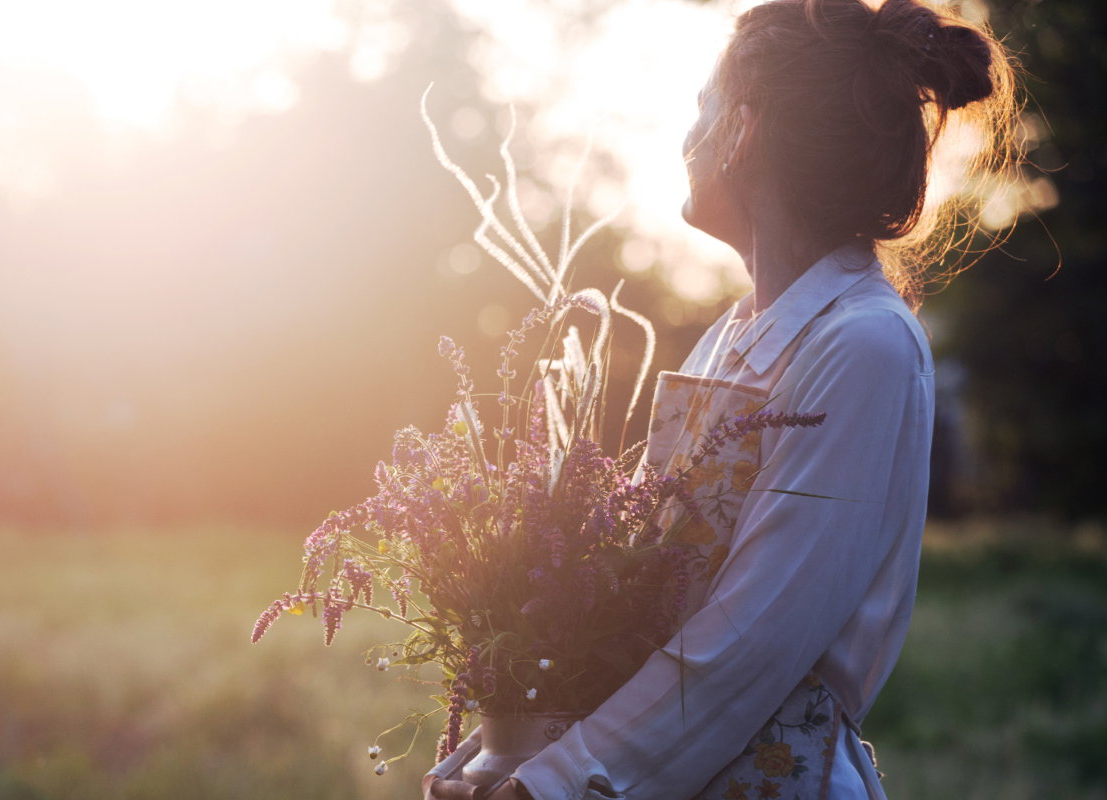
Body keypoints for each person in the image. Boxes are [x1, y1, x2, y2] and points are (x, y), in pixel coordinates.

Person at [426, 0, 1019, 797]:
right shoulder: (735, 334)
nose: (685, 139)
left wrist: (553, 784)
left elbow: (750, 642)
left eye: (700, 109)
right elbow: (636, 613)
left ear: (741, 130)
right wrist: (502, 754)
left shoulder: (864, 345)